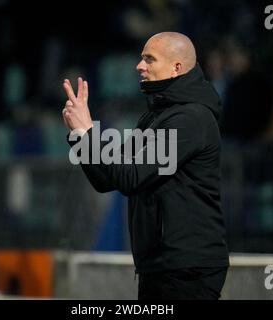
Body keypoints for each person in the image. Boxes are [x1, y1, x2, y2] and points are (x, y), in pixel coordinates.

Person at [62, 32, 229, 300]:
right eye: (142, 58)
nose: (140, 66)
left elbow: (129, 177)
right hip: (160, 265)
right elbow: (108, 179)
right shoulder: (155, 116)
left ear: (177, 67)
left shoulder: (191, 118)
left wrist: (86, 133)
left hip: (186, 268)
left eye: (149, 59)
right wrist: (80, 135)